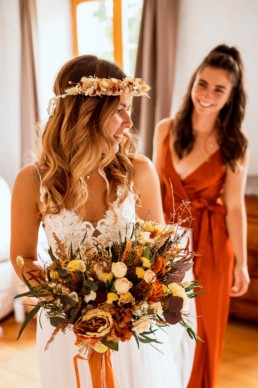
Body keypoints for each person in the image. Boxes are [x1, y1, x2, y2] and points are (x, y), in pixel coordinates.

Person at [11, 55, 183, 388]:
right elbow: (24, 257)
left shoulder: (139, 171)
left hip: (130, 330)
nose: (129, 123)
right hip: (68, 329)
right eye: (119, 110)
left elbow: (160, 252)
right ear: (86, 113)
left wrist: (136, 300)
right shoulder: (33, 181)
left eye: (128, 109)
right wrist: (68, 301)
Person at [153, 44, 250, 388]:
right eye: (202, 83)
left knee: (203, 329)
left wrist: (241, 263)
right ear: (192, 82)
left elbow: (236, 207)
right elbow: (154, 190)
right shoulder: (166, 129)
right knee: (164, 323)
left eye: (218, 89)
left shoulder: (235, 144)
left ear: (231, 97)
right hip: (166, 242)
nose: (206, 94)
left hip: (211, 244)